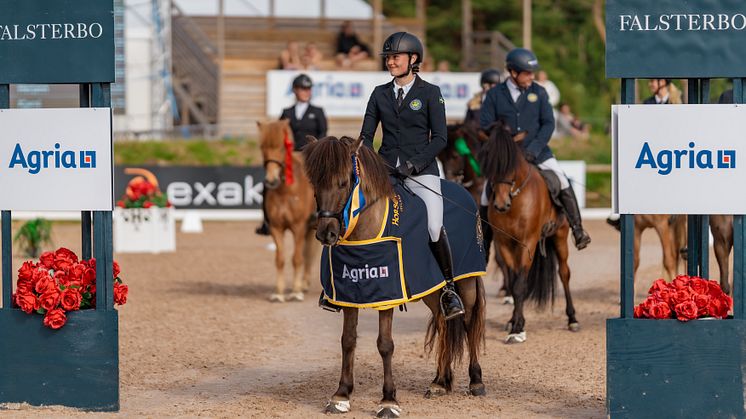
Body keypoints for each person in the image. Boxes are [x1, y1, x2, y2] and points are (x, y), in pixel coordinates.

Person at [358, 32, 465, 320]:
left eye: (396, 57)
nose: (390, 61)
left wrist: (414, 165)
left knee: (432, 225)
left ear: (413, 59)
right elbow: (366, 136)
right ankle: (342, 284)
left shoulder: (430, 93)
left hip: (421, 171)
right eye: (388, 57)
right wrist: (366, 161)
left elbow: (440, 138)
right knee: (352, 212)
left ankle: (449, 291)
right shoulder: (379, 93)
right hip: (384, 171)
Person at [479, 48, 591, 251]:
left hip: (537, 151)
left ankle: (578, 229)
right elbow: (485, 123)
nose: (532, 76)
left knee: (562, 180)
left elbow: (548, 124)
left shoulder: (539, 92)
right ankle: (485, 243)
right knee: (487, 192)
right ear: (513, 73)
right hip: (506, 156)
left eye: (532, 73)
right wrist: (505, 134)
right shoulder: (495, 94)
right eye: (527, 73)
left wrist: (533, 149)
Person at [256, 74, 327, 236]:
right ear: (295, 90)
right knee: (269, 182)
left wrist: (313, 152)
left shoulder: (317, 112)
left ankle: (319, 213)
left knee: (320, 182)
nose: (305, 92)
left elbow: (322, 134)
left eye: (308, 88)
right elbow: (279, 134)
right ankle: (267, 221)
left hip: (310, 157)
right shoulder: (286, 112)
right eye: (302, 88)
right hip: (289, 157)